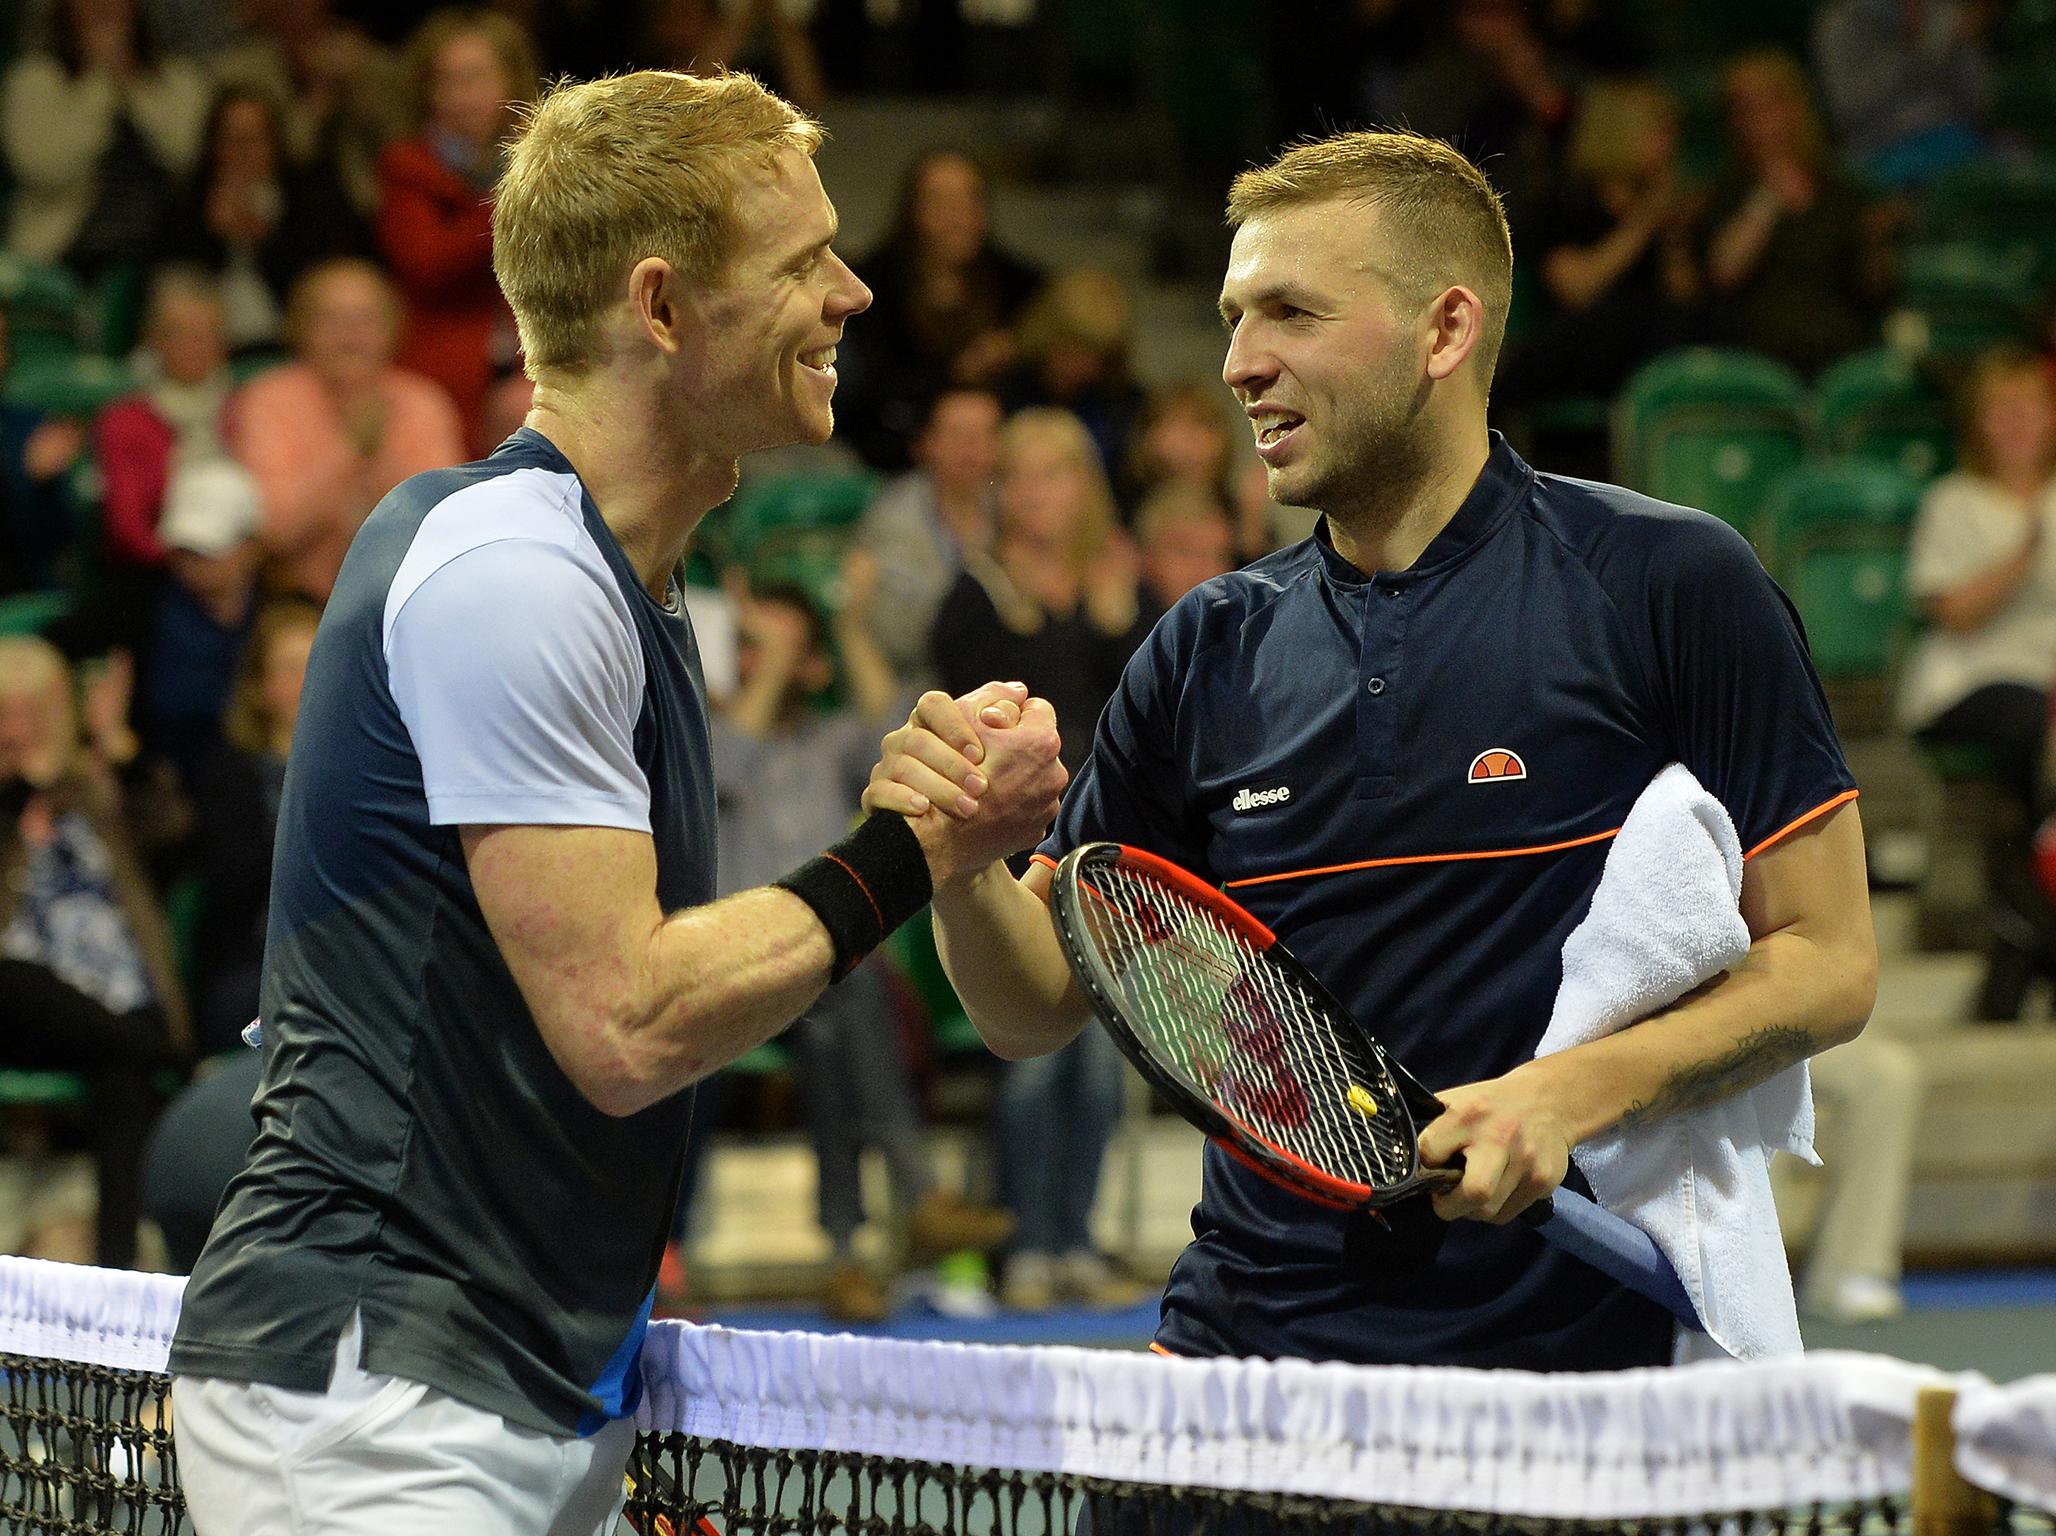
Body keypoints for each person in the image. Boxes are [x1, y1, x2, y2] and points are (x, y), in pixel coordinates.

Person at [166, 67, 1065, 1536]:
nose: (851, 292)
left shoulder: (613, 580)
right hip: (380, 1401)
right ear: (659, 308)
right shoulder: (513, 576)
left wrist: (922, 843)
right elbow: (628, 1021)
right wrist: (914, 850)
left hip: (509, 1390)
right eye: (801, 263)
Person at [865, 128, 1878, 1373]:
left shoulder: (1668, 585)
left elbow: (1829, 960)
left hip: (1571, 1388)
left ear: (1444, 333)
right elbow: (1034, 1007)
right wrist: (964, 865)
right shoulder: (1204, 649)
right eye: (1234, 315)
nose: (1239, 362)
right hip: (1242, 1361)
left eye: (1289, 311)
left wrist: (1566, 1095)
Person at [714, 561, 1013, 1323]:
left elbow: (895, 723)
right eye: (753, 648)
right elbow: (725, 773)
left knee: (838, 1010)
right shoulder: (714, 733)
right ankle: (917, 1198)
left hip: (829, 973)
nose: (763, 663)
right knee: (846, 986)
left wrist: (846, 630)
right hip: (739, 959)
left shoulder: (832, 742)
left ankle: (846, 1255)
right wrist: (773, 664)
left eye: (781, 650)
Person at [0, 635, 191, 1269]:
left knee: (123, 1076)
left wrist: (119, 750)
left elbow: (176, 832)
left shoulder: (95, 791)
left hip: (112, 999)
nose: (16, 727)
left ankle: (115, 1275)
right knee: (14, 978)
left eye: (29, 710)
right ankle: (176, 1059)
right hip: (22, 1004)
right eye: (4, 710)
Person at [1898, 346, 2056, 1019]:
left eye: (2029, 408)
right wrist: (2024, 552)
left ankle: (2022, 940)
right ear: (1979, 423)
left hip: (2049, 687)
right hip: (1972, 682)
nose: (2016, 424)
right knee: (2028, 720)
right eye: (2002, 410)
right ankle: (2032, 919)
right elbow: (1955, 614)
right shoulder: (1953, 502)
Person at [230, 256, 465, 601]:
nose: (350, 338)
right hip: (295, 605)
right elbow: (272, 530)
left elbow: (445, 523)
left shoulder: (424, 403)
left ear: (392, 328)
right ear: (300, 328)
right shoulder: (268, 399)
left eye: (366, 320)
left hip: (409, 599)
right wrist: (350, 447)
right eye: (331, 321)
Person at [375, 8, 537, 454]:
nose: (459, 96)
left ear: (511, 81)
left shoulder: (546, 157)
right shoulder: (408, 167)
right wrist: (512, 195)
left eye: (475, 78)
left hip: (535, 362)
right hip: (444, 371)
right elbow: (426, 264)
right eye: (446, 81)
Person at [855, 386, 1002, 689]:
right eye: (958, 434)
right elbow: (897, 636)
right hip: (917, 682)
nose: (971, 448)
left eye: (984, 434)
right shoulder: (895, 520)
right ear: (927, 443)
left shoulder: (1013, 505)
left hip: (1004, 675)